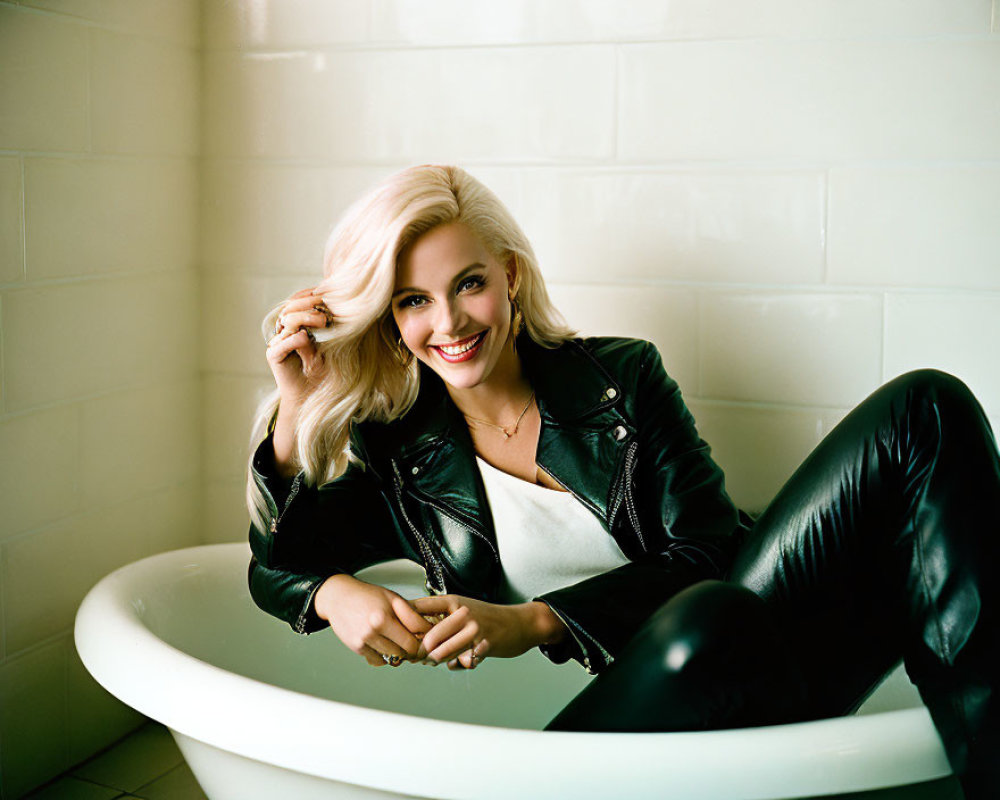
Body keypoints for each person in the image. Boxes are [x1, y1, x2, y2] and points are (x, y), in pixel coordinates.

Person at [247, 164, 998, 799]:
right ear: (391, 316)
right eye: (413, 300)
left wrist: (534, 621)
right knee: (705, 629)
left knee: (925, 408)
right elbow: (277, 562)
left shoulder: (623, 377)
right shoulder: (402, 451)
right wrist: (298, 422)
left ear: (508, 276)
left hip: (759, 642)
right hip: (647, 717)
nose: (448, 321)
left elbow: (706, 551)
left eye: (468, 283)